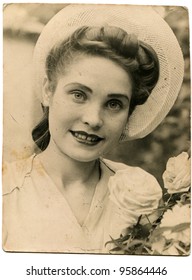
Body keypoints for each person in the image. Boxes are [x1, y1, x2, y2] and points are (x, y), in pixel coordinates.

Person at [2, 4, 184, 254]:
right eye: (78, 94)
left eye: (113, 104)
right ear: (48, 90)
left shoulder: (138, 192)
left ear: (129, 112)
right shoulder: (7, 190)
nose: (94, 119)